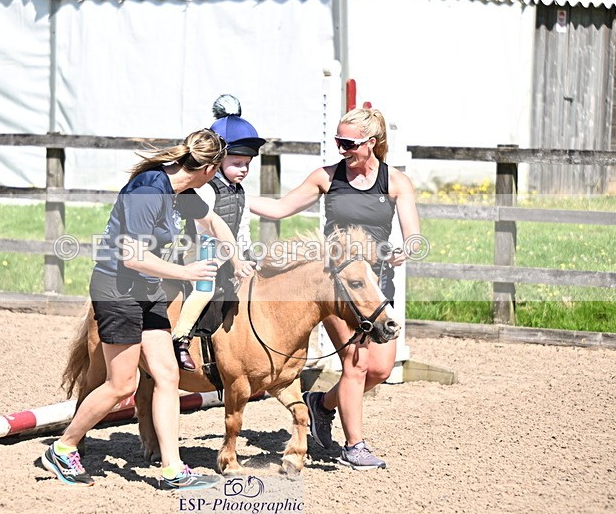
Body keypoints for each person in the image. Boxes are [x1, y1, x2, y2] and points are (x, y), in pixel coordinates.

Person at [41, 128, 254, 488]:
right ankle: (63, 447)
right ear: (210, 169)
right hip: (118, 290)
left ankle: (173, 468)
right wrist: (186, 272)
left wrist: (234, 259)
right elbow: (133, 255)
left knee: (167, 375)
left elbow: (213, 222)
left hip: (147, 290)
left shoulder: (180, 190)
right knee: (122, 384)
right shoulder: (149, 190)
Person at [248, 107, 421, 470]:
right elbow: (279, 209)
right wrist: (232, 196)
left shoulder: (396, 182)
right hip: (337, 287)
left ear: (371, 143)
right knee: (356, 364)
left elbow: (414, 236)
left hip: (374, 285)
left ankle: (322, 405)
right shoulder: (326, 177)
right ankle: (355, 446)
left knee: (380, 370)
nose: (341, 149)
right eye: (337, 141)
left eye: (348, 143)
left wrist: (407, 249)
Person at [171, 94, 264, 371]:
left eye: (247, 163)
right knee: (205, 288)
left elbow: (242, 226)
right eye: (237, 163)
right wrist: (228, 258)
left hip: (228, 250)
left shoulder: (239, 191)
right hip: (200, 249)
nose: (244, 169)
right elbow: (205, 230)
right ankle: (182, 338)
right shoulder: (206, 189)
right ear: (220, 161)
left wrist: (246, 255)